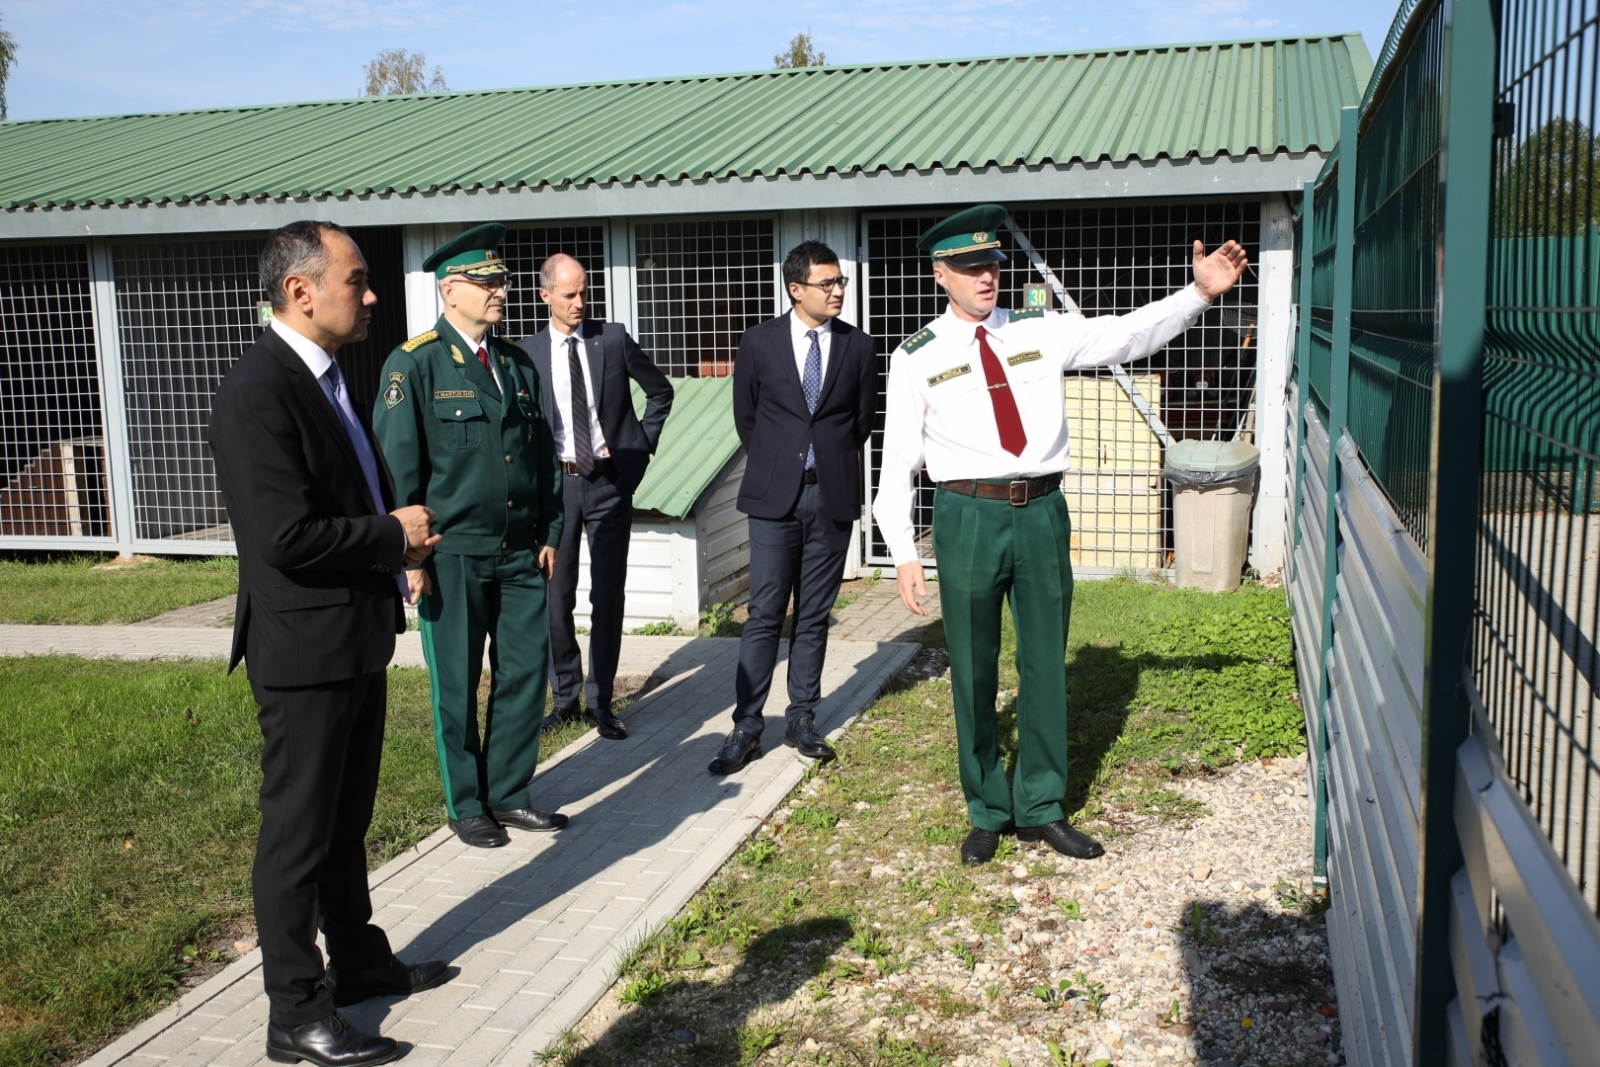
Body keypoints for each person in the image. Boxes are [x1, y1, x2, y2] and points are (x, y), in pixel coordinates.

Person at [873, 204, 1247, 865]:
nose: (985, 277)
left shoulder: (1039, 330)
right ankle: (988, 806)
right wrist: (904, 550)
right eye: (968, 267)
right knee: (974, 667)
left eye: (991, 263)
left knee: (1045, 662)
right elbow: (898, 459)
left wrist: (1197, 293)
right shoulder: (916, 357)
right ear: (940, 275)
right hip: (967, 516)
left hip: (1041, 511)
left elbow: (1127, 335)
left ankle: (1041, 804)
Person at [209, 220, 448, 1067]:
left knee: (346, 824)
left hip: (353, 640)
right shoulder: (257, 391)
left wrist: (397, 557)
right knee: (298, 839)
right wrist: (390, 536)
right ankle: (295, 1015)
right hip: (304, 656)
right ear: (301, 290)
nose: (372, 293)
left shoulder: (325, 376)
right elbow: (284, 536)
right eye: (357, 278)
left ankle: (358, 962)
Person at [371, 224, 567, 850]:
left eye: (503, 280)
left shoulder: (515, 363)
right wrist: (410, 560)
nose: (501, 291)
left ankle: (508, 794)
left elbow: (541, 459)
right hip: (450, 555)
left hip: (518, 551)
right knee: (454, 680)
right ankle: (466, 803)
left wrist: (551, 530)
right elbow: (398, 472)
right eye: (487, 282)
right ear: (449, 289)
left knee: (523, 675)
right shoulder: (416, 362)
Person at [708, 240, 877, 776]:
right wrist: (785, 463)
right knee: (763, 615)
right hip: (773, 497)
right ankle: (746, 725)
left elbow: (860, 421)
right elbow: (748, 419)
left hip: (831, 495)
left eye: (840, 282)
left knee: (814, 615)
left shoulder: (859, 346)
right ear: (795, 287)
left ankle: (802, 719)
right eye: (827, 283)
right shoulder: (758, 342)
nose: (838, 291)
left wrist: (823, 463)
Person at [520, 254, 674, 741]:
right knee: (555, 596)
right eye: (568, 294)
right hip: (557, 489)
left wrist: (636, 452)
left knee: (608, 595)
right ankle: (564, 699)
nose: (579, 303)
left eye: (584, 292)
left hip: (610, 483)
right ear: (545, 295)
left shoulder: (612, 339)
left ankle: (600, 700)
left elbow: (660, 393)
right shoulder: (524, 354)